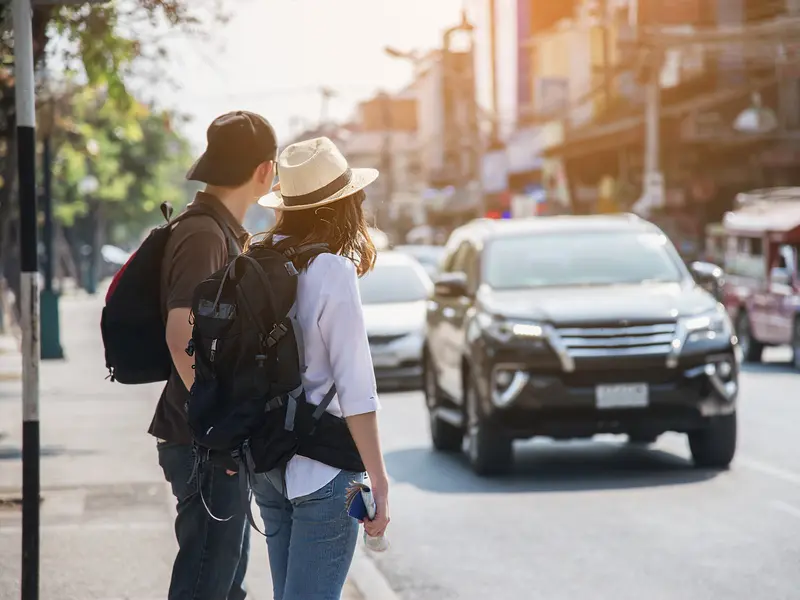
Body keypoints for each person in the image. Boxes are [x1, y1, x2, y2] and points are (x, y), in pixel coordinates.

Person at [250, 136, 391, 600]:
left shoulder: (255, 258)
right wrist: (379, 480)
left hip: (267, 461)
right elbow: (356, 389)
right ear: (341, 206)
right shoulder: (332, 270)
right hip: (325, 472)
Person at [150, 111, 278, 600]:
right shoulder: (205, 234)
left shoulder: (219, 230)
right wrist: (217, 419)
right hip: (202, 439)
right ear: (265, 171)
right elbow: (181, 328)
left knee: (225, 582)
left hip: (211, 438)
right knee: (207, 582)